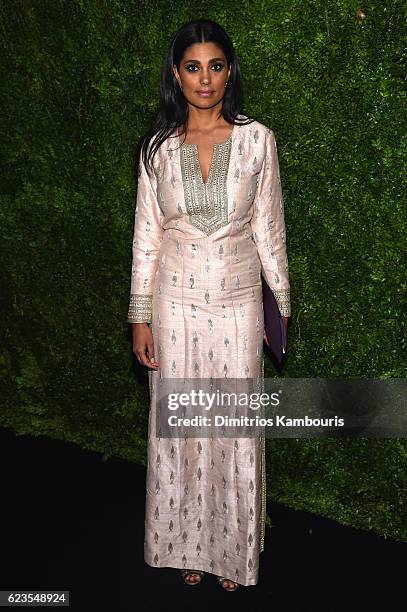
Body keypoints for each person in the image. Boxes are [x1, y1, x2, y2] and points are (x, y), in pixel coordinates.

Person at [127, 19, 291, 591]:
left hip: (239, 302)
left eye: (215, 66)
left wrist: (282, 307)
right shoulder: (158, 148)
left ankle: (232, 547)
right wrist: (140, 315)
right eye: (193, 67)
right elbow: (147, 236)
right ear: (177, 74)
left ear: (229, 72)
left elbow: (270, 227)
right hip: (174, 304)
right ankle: (186, 543)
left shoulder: (257, 140)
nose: (205, 79)